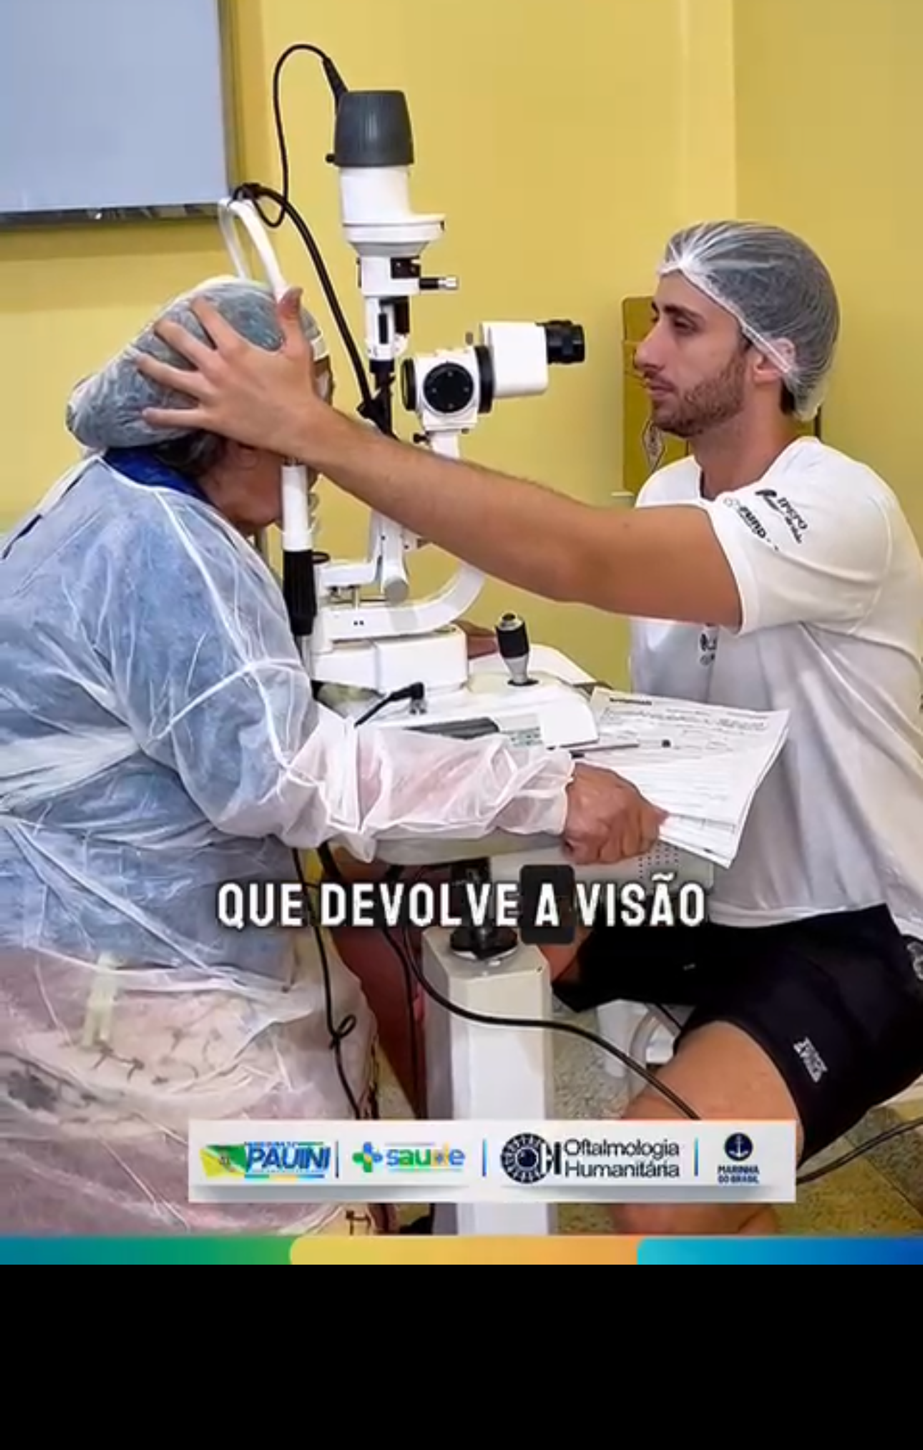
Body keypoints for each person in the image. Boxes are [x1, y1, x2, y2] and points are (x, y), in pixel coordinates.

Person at [136, 220, 923, 1239]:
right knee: (382, 904)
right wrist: (452, 651)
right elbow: (692, 705)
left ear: (769, 357)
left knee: (658, 1189)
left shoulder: (838, 507)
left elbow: (581, 557)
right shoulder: (671, 490)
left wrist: (316, 432)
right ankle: (474, 1198)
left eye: (681, 326)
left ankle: (689, 1161)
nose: (643, 348)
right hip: (689, 891)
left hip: (852, 929)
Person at [0, 276, 661, 1242]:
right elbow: (285, 776)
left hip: (93, 952)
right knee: (309, 1209)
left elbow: (204, 694)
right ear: (234, 426)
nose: (319, 447)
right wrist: (542, 787)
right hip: (118, 994)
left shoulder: (117, 498)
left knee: (343, 1030)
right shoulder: (165, 544)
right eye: (302, 417)